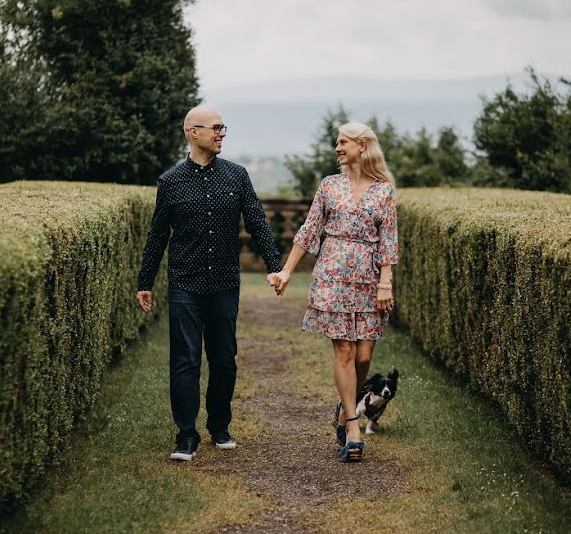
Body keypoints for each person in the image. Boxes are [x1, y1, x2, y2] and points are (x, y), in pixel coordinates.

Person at [136, 105, 282, 461]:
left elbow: (258, 223)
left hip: (224, 283)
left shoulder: (236, 176)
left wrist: (274, 265)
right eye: (216, 128)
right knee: (185, 360)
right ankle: (186, 435)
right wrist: (145, 280)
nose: (222, 134)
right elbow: (158, 234)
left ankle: (219, 426)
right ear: (193, 132)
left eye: (223, 127)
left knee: (224, 360)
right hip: (184, 284)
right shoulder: (170, 181)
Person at [271, 122, 398, 462]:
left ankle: (343, 408)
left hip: (369, 280)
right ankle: (353, 424)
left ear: (362, 146)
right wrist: (286, 271)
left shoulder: (384, 191)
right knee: (343, 351)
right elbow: (310, 230)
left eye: (343, 142)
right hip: (332, 276)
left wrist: (385, 282)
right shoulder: (329, 186)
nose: (337, 148)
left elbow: (388, 240)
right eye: (337, 143)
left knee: (364, 357)